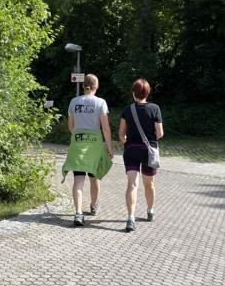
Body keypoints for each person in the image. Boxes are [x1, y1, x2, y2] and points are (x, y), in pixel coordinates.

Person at [62, 73, 114, 226]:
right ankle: (93, 206)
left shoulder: (73, 102)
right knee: (94, 177)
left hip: (78, 144)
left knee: (78, 180)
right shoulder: (101, 102)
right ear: (96, 86)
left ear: (83, 85)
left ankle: (78, 213)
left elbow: (71, 127)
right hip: (94, 146)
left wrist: (80, 135)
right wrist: (109, 147)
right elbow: (105, 128)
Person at [118, 78, 163, 232]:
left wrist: (124, 140)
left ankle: (130, 218)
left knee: (132, 184)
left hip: (131, 150)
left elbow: (121, 134)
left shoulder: (128, 109)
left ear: (133, 93)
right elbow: (160, 133)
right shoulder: (155, 108)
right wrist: (149, 140)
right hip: (149, 151)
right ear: (147, 93)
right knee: (149, 183)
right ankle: (150, 210)